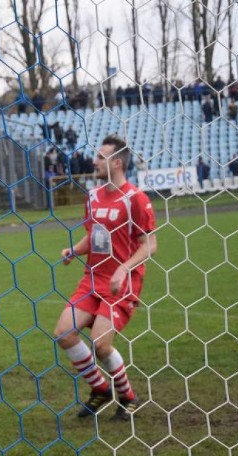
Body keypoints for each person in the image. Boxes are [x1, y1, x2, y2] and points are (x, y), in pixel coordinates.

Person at [54, 135, 157, 420]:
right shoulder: (93, 196)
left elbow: (150, 244)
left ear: (117, 162)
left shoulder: (136, 199)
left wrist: (124, 268)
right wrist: (74, 250)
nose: (94, 161)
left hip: (121, 283)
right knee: (64, 332)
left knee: (101, 344)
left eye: (101, 157)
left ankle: (129, 396)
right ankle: (100, 389)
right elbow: (94, 235)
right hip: (93, 278)